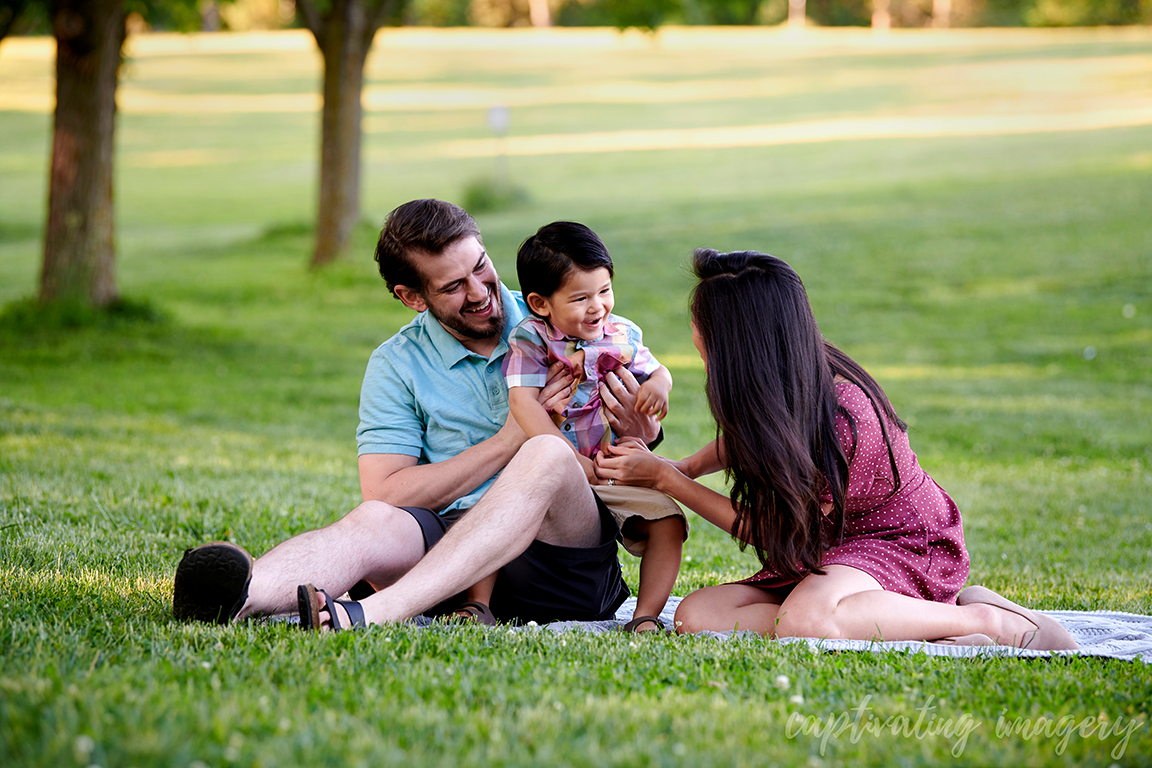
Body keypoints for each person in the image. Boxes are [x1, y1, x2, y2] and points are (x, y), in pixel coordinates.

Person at [172, 199, 662, 630]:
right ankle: (241, 593)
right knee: (373, 519)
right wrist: (507, 439)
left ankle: (374, 612)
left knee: (546, 453)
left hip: (560, 565)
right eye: (452, 285)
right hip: (444, 562)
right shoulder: (397, 363)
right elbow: (387, 492)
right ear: (411, 297)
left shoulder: (563, 318)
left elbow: (635, 437)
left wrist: (644, 428)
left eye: (481, 266)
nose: (479, 292)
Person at [594, 248, 1078, 650]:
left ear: (737, 343)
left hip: (899, 543)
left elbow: (775, 532)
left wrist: (668, 480)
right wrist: (688, 466)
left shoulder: (846, 419)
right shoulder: (775, 383)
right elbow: (758, 434)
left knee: (804, 621)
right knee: (698, 615)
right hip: (829, 551)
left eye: (701, 327)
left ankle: (986, 622)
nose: (695, 335)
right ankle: (898, 617)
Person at [462, 221, 688, 633]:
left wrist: (658, 386)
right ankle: (478, 603)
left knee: (669, 522)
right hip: (550, 468)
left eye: (604, 291)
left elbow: (659, 370)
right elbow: (523, 403)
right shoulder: (531, 339)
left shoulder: (621, 332)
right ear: (541, 303)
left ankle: (646, 616)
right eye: (581, 298)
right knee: (493, 505)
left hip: (613, 472)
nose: (598, 307)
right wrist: (565, 458)